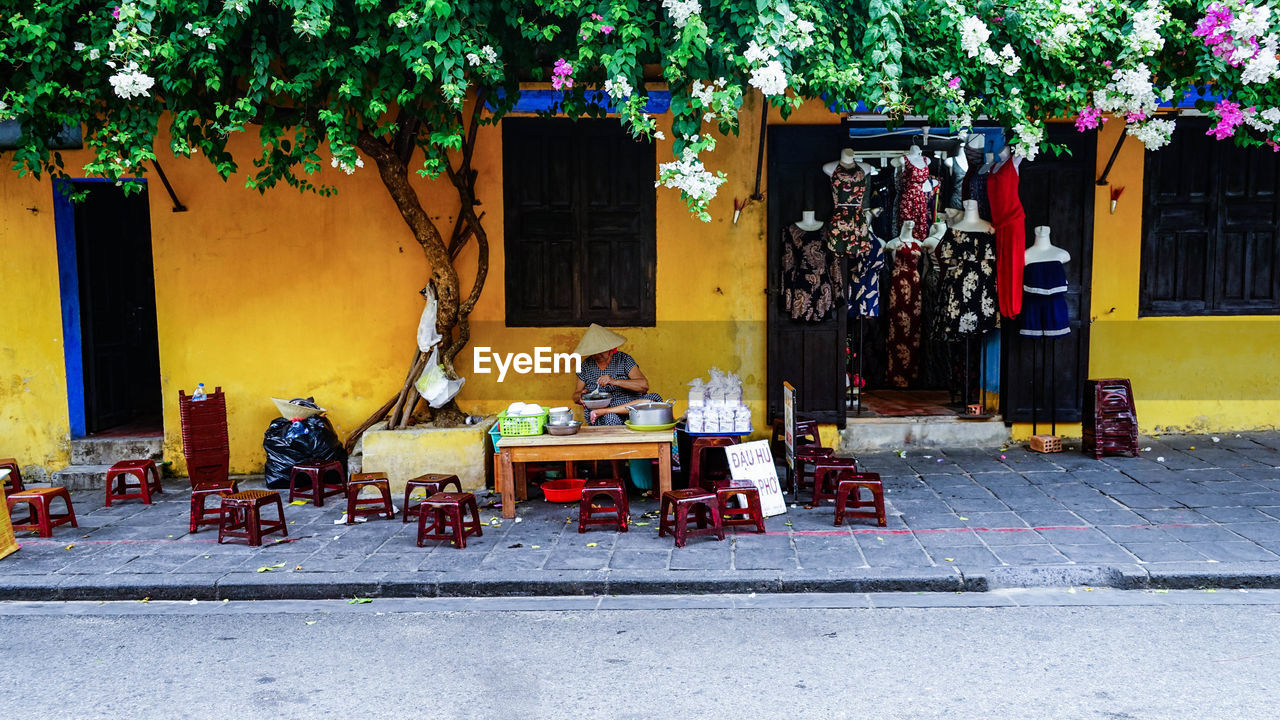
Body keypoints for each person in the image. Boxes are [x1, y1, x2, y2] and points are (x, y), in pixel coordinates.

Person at [572, 324, 662, 425]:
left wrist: (614, 381)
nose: (597, 354)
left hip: (631, 409)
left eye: (601, 351)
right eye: (594, 352)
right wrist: (580, 396)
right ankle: (608, 414)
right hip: (601, 413)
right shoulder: (585, 366)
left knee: (653, 399)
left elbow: (644, 386)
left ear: (612, 349)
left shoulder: (624, 360)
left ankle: (610, 411)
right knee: (610, 418)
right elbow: (576, 395)